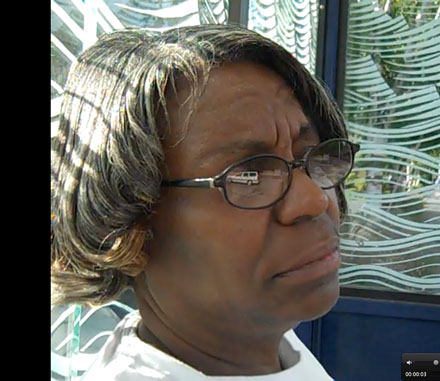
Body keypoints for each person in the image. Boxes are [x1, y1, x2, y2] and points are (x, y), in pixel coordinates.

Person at [51, 24, 359, 380]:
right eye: (249, 175)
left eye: (311, 156)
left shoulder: (265, 349)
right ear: (125, 229)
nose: (315, 200)